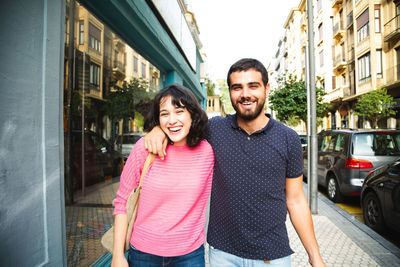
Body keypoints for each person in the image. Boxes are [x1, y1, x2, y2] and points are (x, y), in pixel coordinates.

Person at [144, 58, 326, 266]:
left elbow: (295, 200)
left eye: (253, 86)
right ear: (230, 92)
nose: (245, 94)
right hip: (223, 254)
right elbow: (181, 126)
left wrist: (314, 255)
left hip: (272, 255)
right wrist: (158, 130)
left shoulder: (288, 138)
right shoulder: (213, 130)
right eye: (237, 87)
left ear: (267, 89)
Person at [111, 84, 214, 267]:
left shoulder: (207, 151)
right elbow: (122, 204)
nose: (172, 120)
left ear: (192, 114)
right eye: (164, 114)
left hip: (190, 255)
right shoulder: (144, 149)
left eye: (179, 111)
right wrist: (118, 255)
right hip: (144, 255)